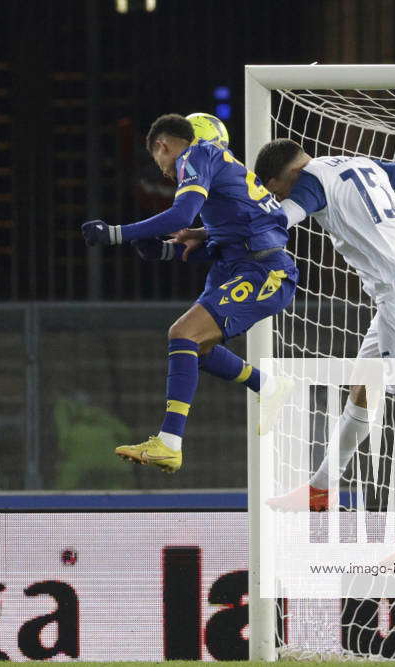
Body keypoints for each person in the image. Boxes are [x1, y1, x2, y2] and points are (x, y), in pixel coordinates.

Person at [245, 138, 395, 553]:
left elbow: (280, 222)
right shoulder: (358, 162)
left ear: (282, 175)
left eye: (276, 189)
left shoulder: (310, 181)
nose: (282, 195)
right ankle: (321, 488)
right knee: (363, 391)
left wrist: (223, 230)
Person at [81, 113, 297, 474]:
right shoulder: (225, 173)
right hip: (246, 265)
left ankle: (169, 442)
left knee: (182, 334)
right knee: (196, 345)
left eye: (158, 160)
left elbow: (180, 214)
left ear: (163, 145)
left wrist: (115, 234)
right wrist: (164, 250)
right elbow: (213, 244)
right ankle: (269, 386)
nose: (164, 171)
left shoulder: (197, 155)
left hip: (264, 271)